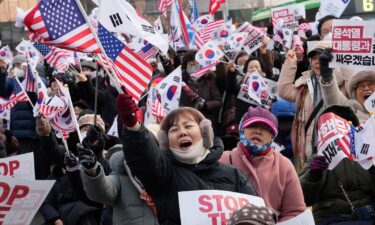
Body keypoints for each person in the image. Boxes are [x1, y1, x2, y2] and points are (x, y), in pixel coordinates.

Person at [115, 88, 257, 225]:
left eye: (188, 126)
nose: (182, 132)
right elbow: (144, 157)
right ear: (166, 140)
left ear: (204, 132)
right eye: (174, 129)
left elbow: (257, 216)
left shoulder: (234, 175)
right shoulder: (163, 173)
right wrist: (133, 127)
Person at [220, 106, 306, 222]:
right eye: (252, 125)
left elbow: (295, 212)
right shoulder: (222, 160)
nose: (258, 131)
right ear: (241, 128)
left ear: (272, 137)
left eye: (266, 129)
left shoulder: (284, 166)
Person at [299, 106, 375, 225]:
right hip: (332, 217)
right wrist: (313, 176)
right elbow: (303, 199)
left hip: (369, 213)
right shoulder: (318, 159)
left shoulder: (366, 152)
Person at [318, 49, 375, 123]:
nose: (366, 88)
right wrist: (327, 77)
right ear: (355, 93)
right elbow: (333, 100)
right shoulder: (350, 111)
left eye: (371, 84)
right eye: (361, 86)